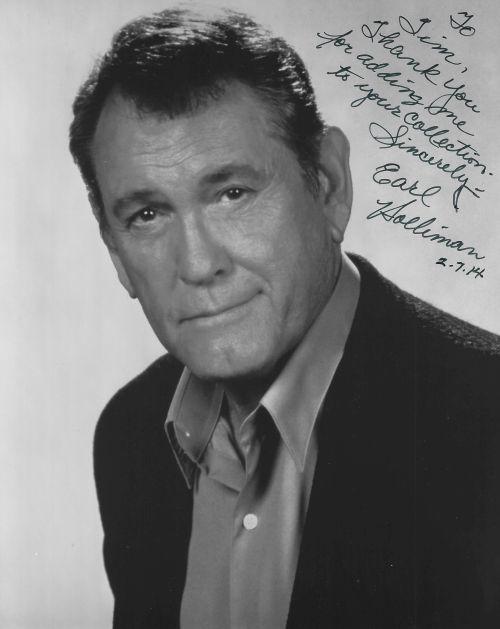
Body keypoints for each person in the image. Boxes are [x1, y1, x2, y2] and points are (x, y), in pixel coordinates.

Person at [69, 6, 500, 628]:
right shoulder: (130, 436)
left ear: (329, 185)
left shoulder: (486, 420)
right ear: (115, 252)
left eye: (232, 194)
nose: (198, 265)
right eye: (148, 215)